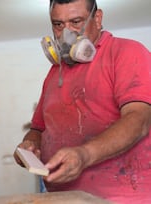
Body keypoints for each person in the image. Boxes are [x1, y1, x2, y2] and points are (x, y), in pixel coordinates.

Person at [13, 0, 151, 203]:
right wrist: (30, 146)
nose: (65, 33)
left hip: (123, 196)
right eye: (58, 24)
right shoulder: (55, 73)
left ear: (97, 18)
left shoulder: (126, 52)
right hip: (62, 197)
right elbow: (38, 129)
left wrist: (84, 155)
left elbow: (139, 120)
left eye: (76, 21)